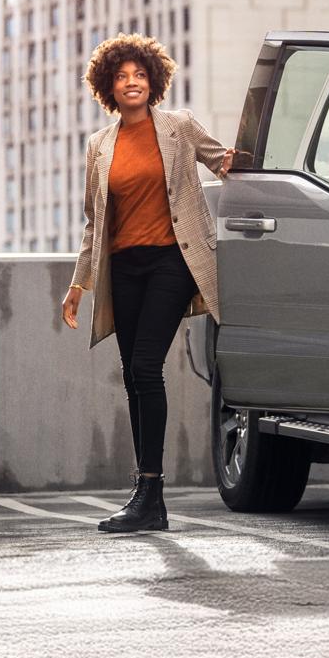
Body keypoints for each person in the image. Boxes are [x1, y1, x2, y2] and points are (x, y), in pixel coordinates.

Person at [60, 34, 234, 533]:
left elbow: (222, 160)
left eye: (139, 74)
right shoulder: (100, 146)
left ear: (153, 80)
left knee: (145, 366)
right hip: (125, 267)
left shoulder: (178, 127)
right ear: (107, 87)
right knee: (134, 378)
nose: (131, 82)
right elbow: (94, 222)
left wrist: (262, 168)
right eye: (121, 76)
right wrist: (78, 285)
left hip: (172, 262)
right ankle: (147, 497)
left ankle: (150, 492)